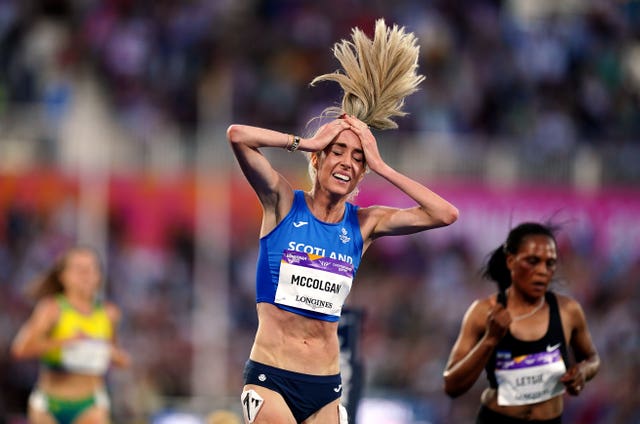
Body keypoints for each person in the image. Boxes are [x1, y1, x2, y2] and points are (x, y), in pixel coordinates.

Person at [227, 18, 459, 424]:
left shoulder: (365, 224)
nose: (346, 163)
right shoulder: (283, 203)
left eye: (357, 158)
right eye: (337, 151)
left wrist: (383, 166)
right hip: (271, 378)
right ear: (318, 159)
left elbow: (445, 214)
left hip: (327, 387)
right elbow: (237, 135)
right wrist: (306, 141)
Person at [443, 222, 600, 423]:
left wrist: (583, 371)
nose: (542, 271)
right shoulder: (483, 312)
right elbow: (452, 384)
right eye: (532, 261)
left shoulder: (568, 311)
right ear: (511, 262)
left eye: (549, 263)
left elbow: (592, 358)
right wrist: (489, 341)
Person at [11, 246, 131, 424]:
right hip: (49, 404)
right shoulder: (51, 309)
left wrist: (106, 351)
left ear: (99, 276)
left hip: (90, 404)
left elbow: (120, 358)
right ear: (63, 276)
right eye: (79, 269)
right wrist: (65, 342)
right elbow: (20, 349)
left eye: (91, 269)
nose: (86, 275)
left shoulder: (109, 313)